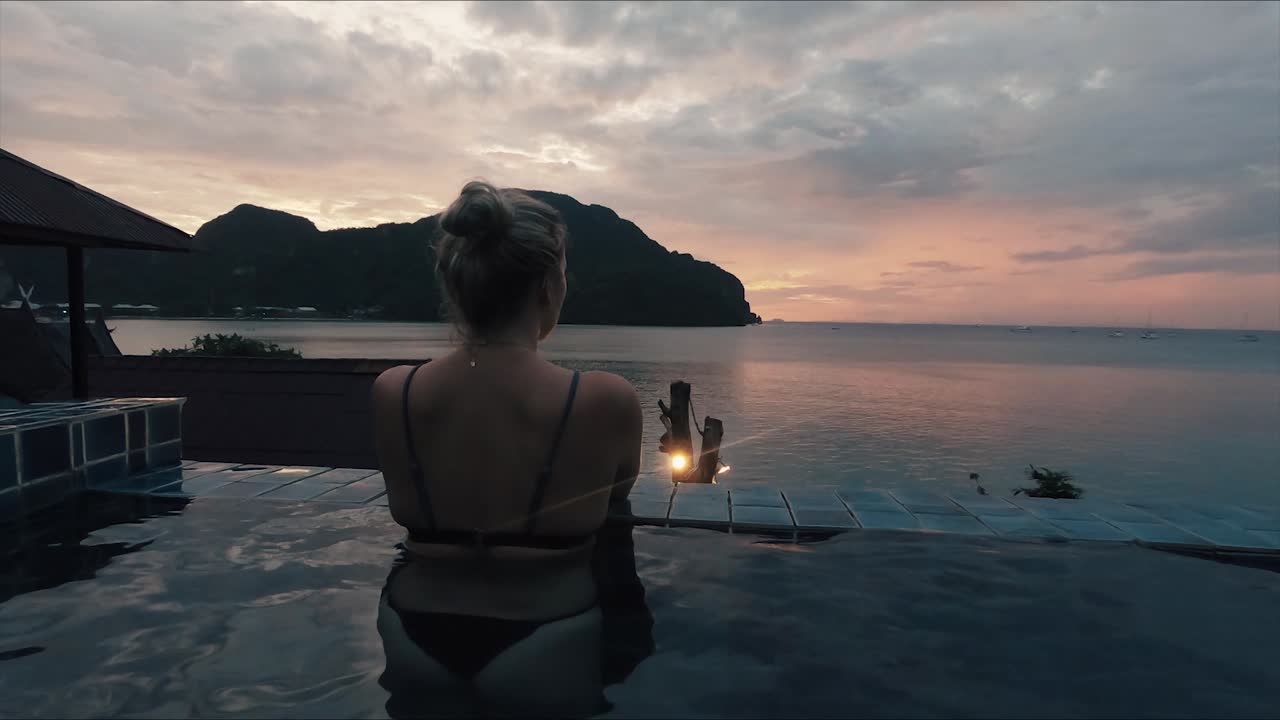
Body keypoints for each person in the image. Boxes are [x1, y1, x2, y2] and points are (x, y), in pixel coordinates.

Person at [371, 180, 644, 716]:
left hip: (413, 625)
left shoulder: (393, 392)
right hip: (548, 630)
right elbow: (616, 510)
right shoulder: (603, 400)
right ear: (548, 287)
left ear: (455, 288)